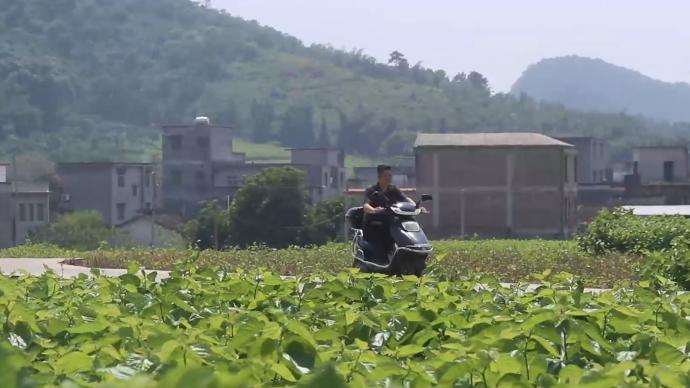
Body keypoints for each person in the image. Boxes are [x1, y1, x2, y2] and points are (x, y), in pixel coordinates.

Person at [361, 165, 414, 263]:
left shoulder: (393, 189)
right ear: (379, 177)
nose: (388, 178)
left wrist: (415, 206)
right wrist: (374, 210)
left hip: (391, 223)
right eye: (386, 176)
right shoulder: (371, 190)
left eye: (390, 175)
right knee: (379, 245)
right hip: (375, 225)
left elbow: (406, 199)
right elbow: (366, 206)